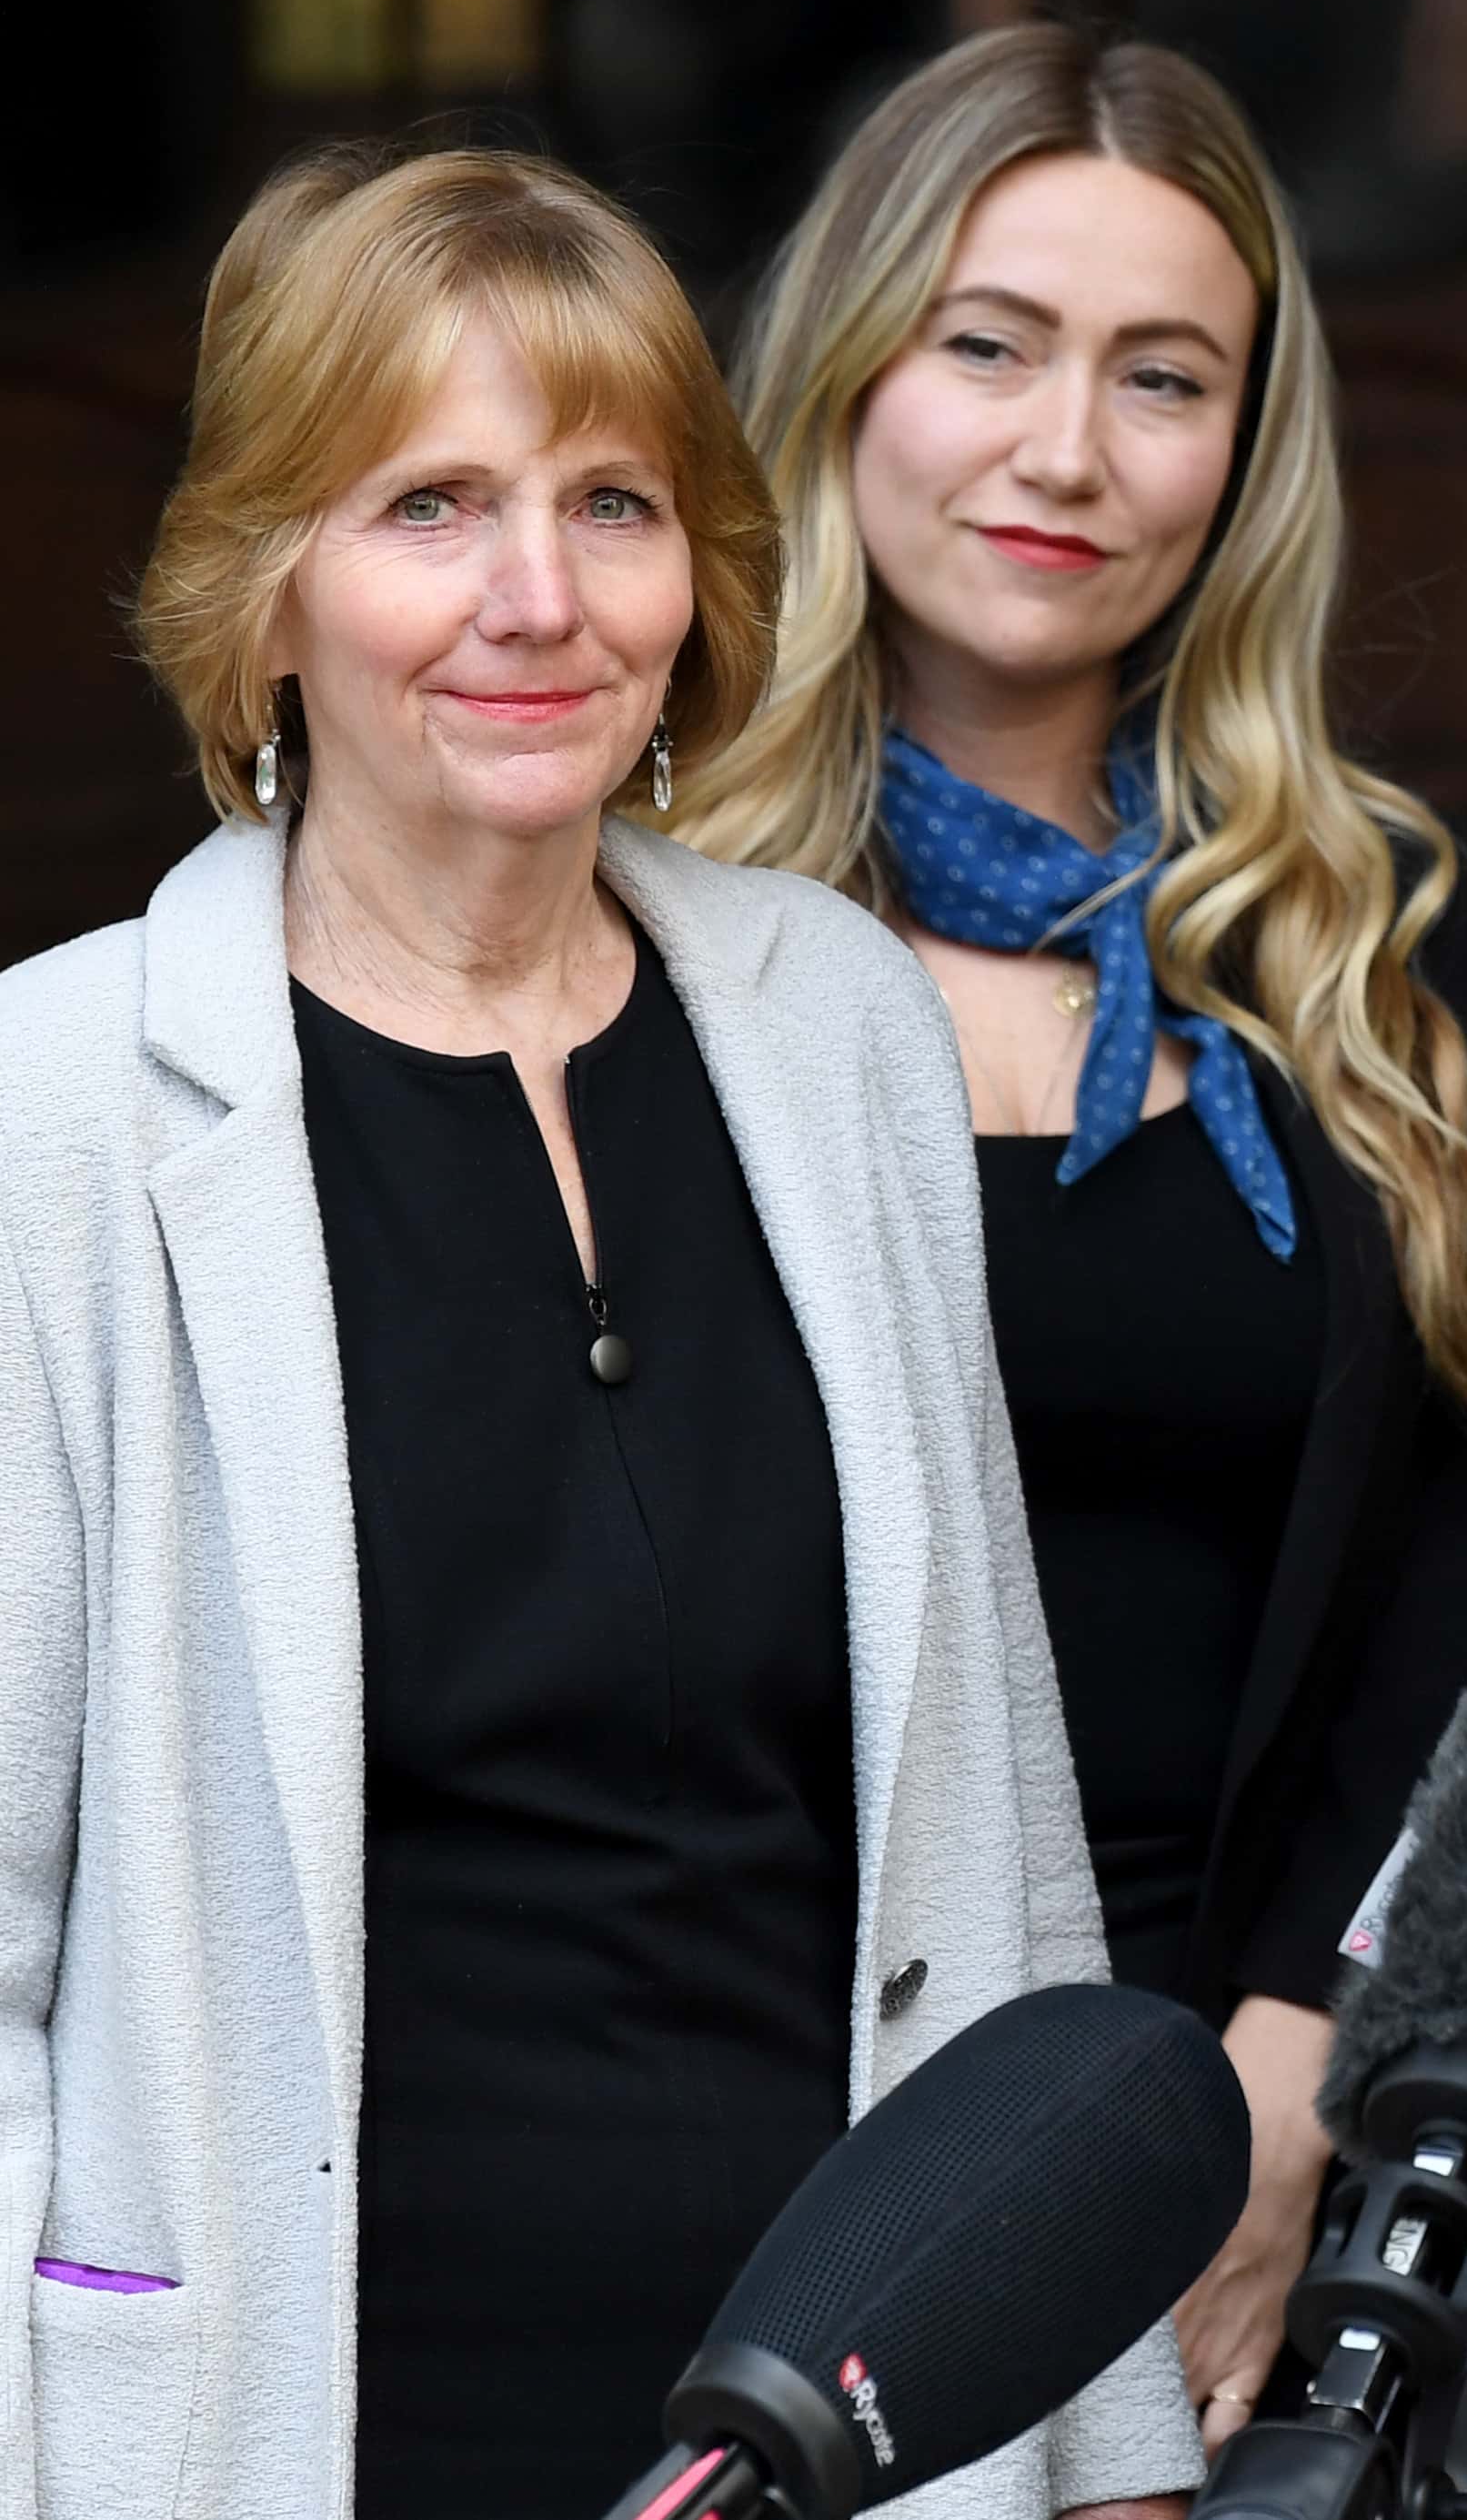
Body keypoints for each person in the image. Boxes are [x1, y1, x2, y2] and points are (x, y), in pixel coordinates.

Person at [0, 147, 1191, 2518]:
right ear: (265, 600)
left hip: (862, 2425)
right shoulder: (60, 1107)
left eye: (613, 502)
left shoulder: (835, 1024)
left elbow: (992, 1799)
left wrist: (1109, 2430)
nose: (538, 598)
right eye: (430, 505)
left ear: (697, 582)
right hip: (301, 2434)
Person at [671, 25, 1467, 2445]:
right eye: (990, 346)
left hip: (1227, 2153)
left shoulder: (1375, 944)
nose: (1067, 452)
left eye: (1160, 377)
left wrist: (1300, 2062)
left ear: (1245, 450)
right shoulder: (635, 923)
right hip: (726, 2150)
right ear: (852, 367)